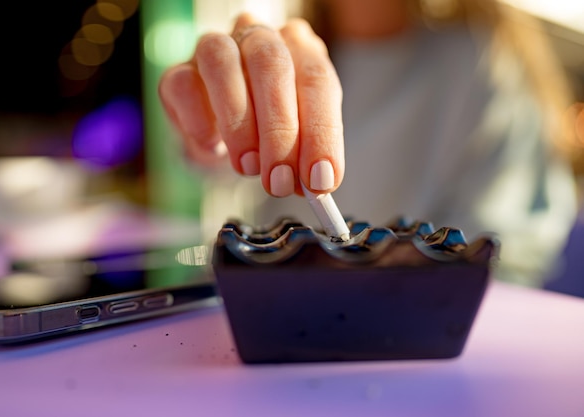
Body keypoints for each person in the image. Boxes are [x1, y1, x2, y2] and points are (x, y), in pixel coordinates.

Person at [158, 0, 581, 287]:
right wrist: (211, 126)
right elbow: (214, 165)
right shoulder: (282, 56)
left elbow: (513, 248)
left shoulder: (480, 57)